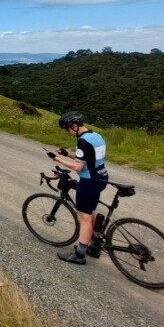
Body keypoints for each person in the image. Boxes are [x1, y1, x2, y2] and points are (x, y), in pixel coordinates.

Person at [47, 111, 109, 264]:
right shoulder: (96, 136)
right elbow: (89, 156)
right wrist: (68, 154)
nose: (67, 133)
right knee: (90, 211)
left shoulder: (82, 141)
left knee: (84, 217)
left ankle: (80, 255)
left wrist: (57, 158)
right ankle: (94, 244)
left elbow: (78, 167)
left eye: (67, 129)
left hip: (89, 181)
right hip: (102, 177)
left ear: (74, 126)